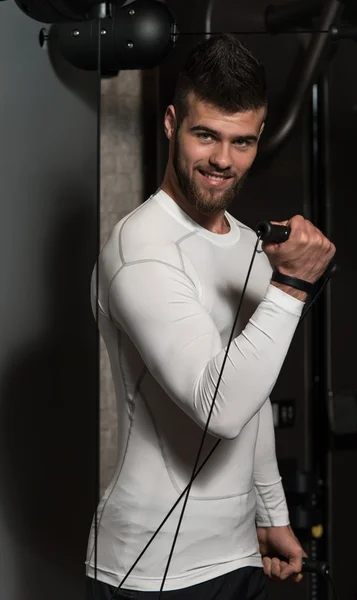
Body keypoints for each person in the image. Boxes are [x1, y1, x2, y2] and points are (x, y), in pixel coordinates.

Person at [85, 34, 336, 600]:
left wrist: (270, 512)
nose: (223, 160)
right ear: (173, 123)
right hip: (150, 571)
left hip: (238, 552)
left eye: (242, 141)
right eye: (207, 135)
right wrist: (292, 285)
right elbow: (218, 406)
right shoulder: (142, 249)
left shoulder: (247, 244)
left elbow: (251, 394)